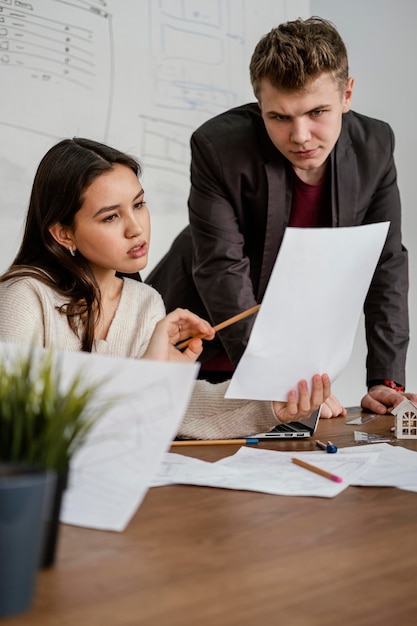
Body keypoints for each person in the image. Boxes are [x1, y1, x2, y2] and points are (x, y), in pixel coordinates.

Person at [146, 16, 417, 417]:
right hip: (200, 341)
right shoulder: (217, 147)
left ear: (347, 94)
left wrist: (386, 379)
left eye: (317, 112)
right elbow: (221, 267)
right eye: (279, 117)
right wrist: (275, 378)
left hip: (288, 359)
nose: (301, 135)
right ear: (260, 106)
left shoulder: (375, 146)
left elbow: (385, 261)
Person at [0, 137, 331, 440]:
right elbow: (17, 425)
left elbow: (170, 407)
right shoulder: (25, 299)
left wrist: (269, 403)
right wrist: (147, 372)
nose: (136, 228)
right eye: (110, 217)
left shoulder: (145, 303)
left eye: (139, 204)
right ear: (64, 234)